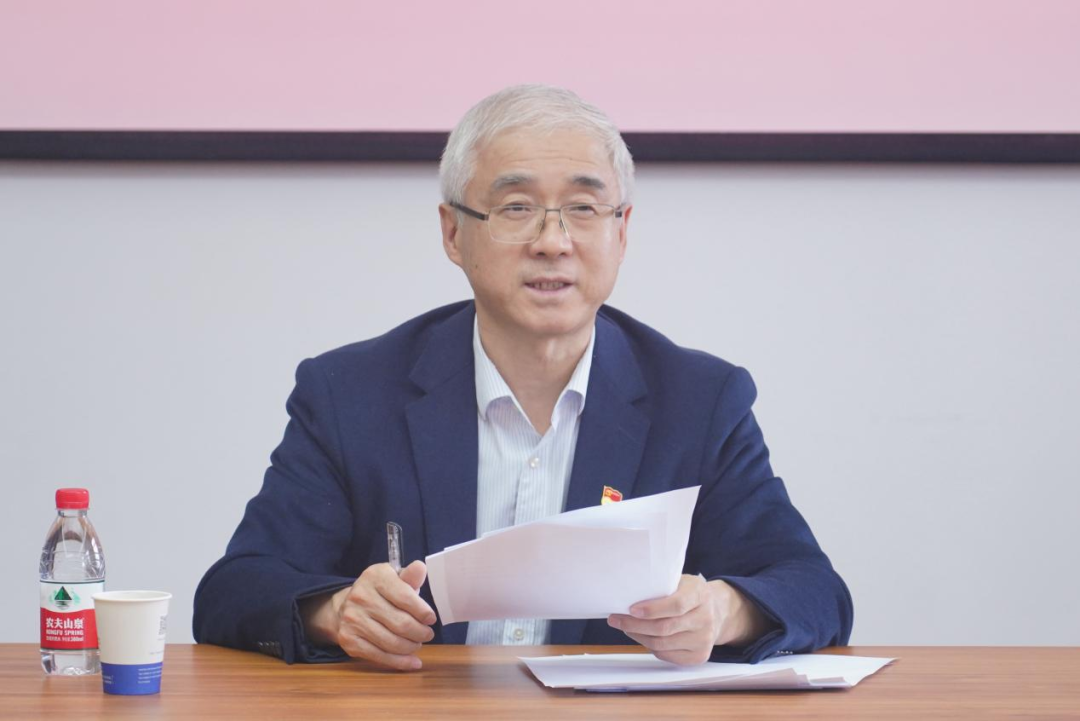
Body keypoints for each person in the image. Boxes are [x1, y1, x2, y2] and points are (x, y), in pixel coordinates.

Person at [193, 84, 853, 671]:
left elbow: (815, 589)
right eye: (516, 208)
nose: (553, 241)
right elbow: (234, 589)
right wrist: (335, 611)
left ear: (622, 232)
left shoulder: (700, 401)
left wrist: (722, 610)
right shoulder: (351, 393)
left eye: (584, 208)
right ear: (454, 233)